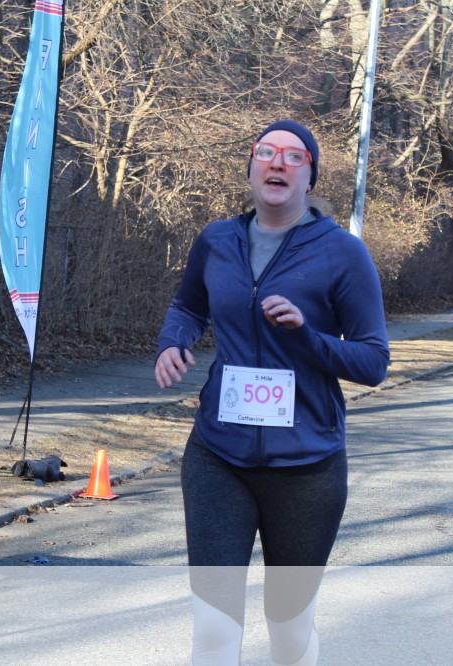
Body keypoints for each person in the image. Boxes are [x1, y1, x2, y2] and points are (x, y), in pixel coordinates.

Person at [154, 119, 389, 665]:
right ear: (252, 169)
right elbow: (188, 305)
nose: (278, 162)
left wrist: (306, 336)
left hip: (307, 467)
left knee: (288, 629)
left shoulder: (343, 253)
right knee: (214, 630)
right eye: (266, 152)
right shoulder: (217, 240)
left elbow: (374, 362)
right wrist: (173, 342)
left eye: (294, 156)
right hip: (218, 455)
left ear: (310, 177)